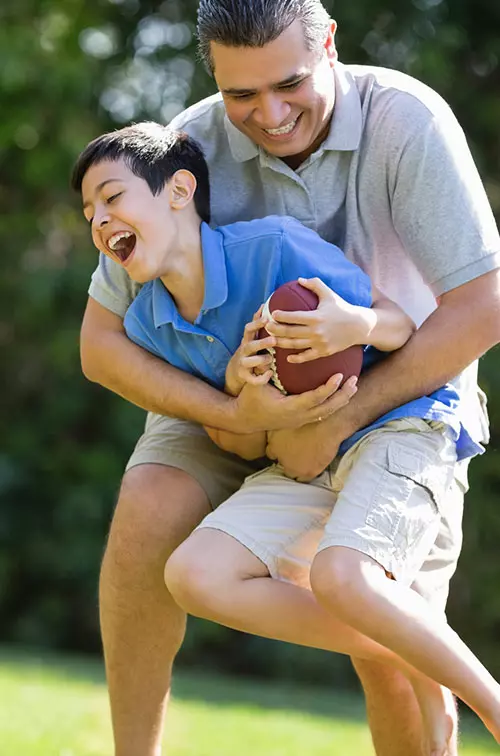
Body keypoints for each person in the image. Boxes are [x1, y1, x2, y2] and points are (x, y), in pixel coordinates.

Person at [78, 2, 500, 755]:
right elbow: (104, 343)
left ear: (329, 44)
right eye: (241, 95)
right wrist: (234, 415)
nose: (269, 115)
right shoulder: (185, 149)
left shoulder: (405, 121)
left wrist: (336, 418)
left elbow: (483, 306)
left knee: (390, 665)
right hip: (233, 388)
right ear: (214, 72)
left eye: (289, 84)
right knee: (148, 514)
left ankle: (418, 654)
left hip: (398, 392)